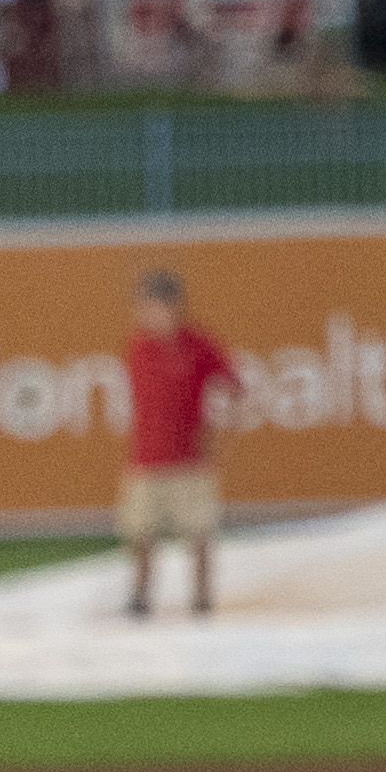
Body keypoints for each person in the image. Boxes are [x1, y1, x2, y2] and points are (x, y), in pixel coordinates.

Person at [120, 265, 239, 619]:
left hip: (190, 460)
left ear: (174, 307)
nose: (149, 315)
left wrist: (217, 431)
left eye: (156, 307)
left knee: (200, 532)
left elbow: (231, 385)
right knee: (141, 534)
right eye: (145, 308)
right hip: (147, 458)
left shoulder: (199, 347)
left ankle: (202, 599)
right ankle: (140, 596)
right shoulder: (139, 348)